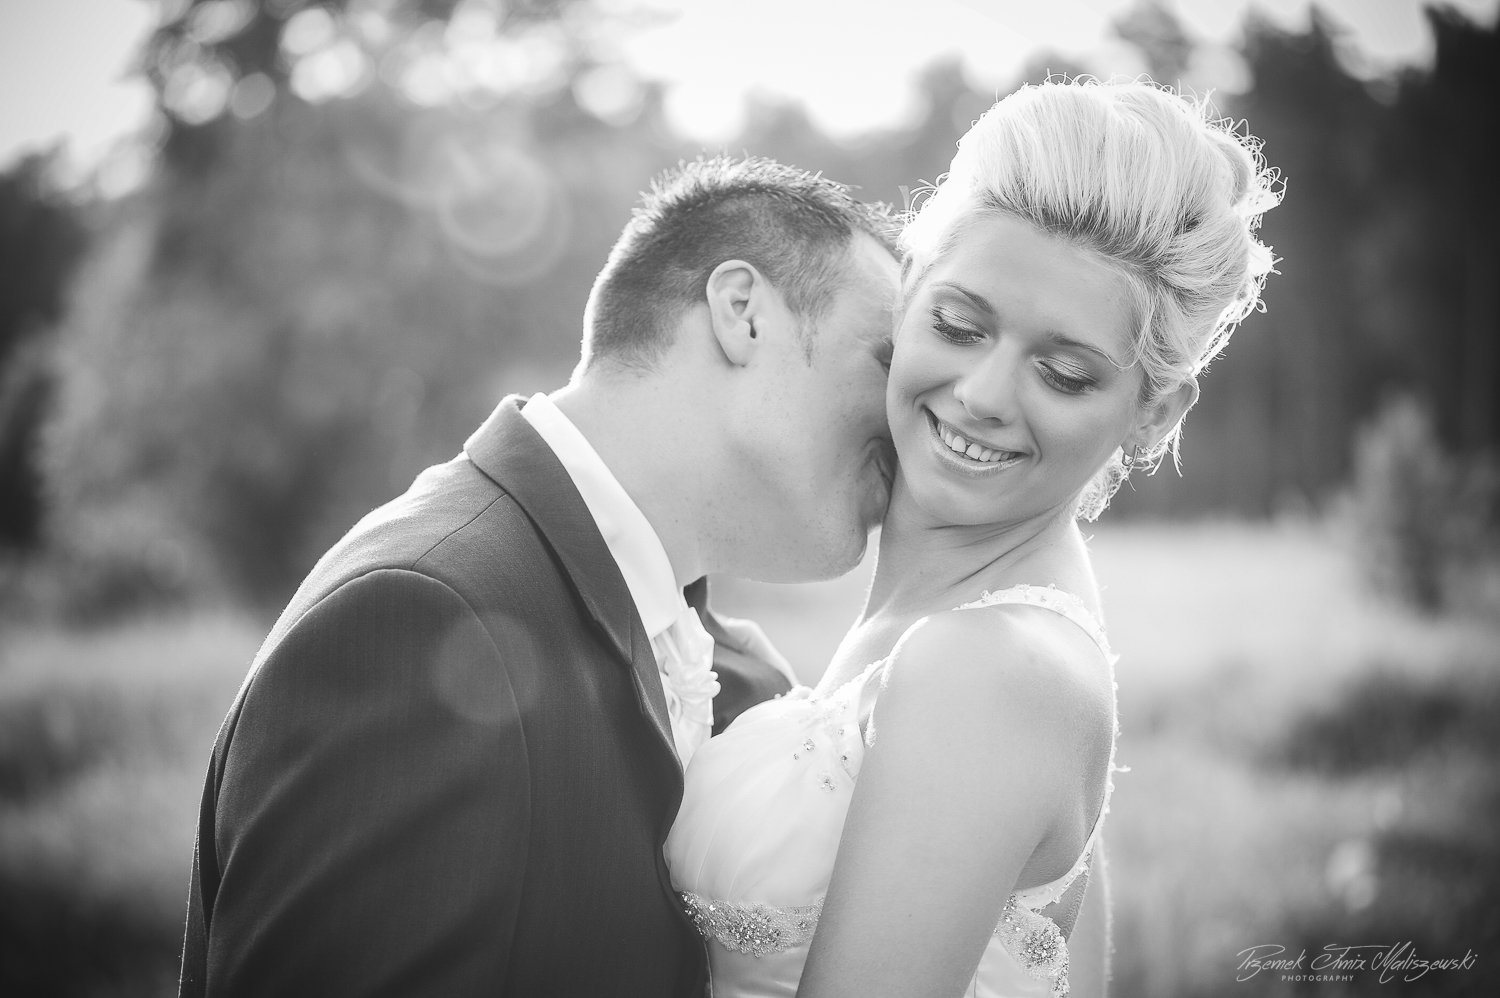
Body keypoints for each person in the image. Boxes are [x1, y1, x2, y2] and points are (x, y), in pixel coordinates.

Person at [178, 156, 902, 996]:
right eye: (884, 359)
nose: (914, 412)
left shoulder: (741, 679)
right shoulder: (418, 620)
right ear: (742, 312)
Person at [666, 78, 1281, 997]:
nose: (986, 395)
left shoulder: (991, 671)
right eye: (960, 324)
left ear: (1153, 414)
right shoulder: (988, 637)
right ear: (907, 291)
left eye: (1065, 373)